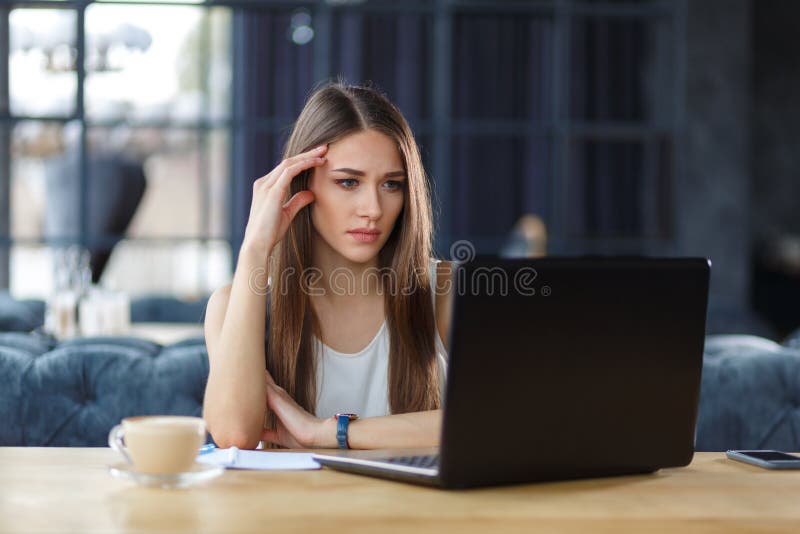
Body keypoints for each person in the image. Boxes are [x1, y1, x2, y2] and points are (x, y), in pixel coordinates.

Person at [203, 83, 453, 450]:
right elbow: (235, 434)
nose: (373, 209)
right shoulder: (234, 304)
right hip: (294, 509)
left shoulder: (446, 290)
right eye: (348, 182)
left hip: (415, 510)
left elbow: (504, 420)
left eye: (391, 185)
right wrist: (255, 250)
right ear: (301, 184)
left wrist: (327, 432)